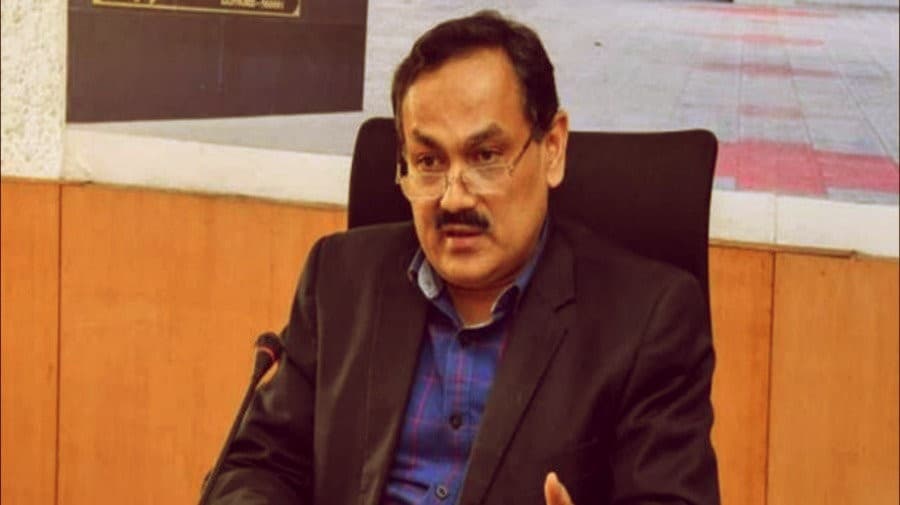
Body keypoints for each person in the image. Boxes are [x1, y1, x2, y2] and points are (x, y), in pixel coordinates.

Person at [208, 10, 719, 505]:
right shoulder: (340, 281)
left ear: (553, 147)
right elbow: (256, 467)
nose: (453, 198)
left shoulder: (646, 320)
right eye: (428, 161)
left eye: (485, 157)